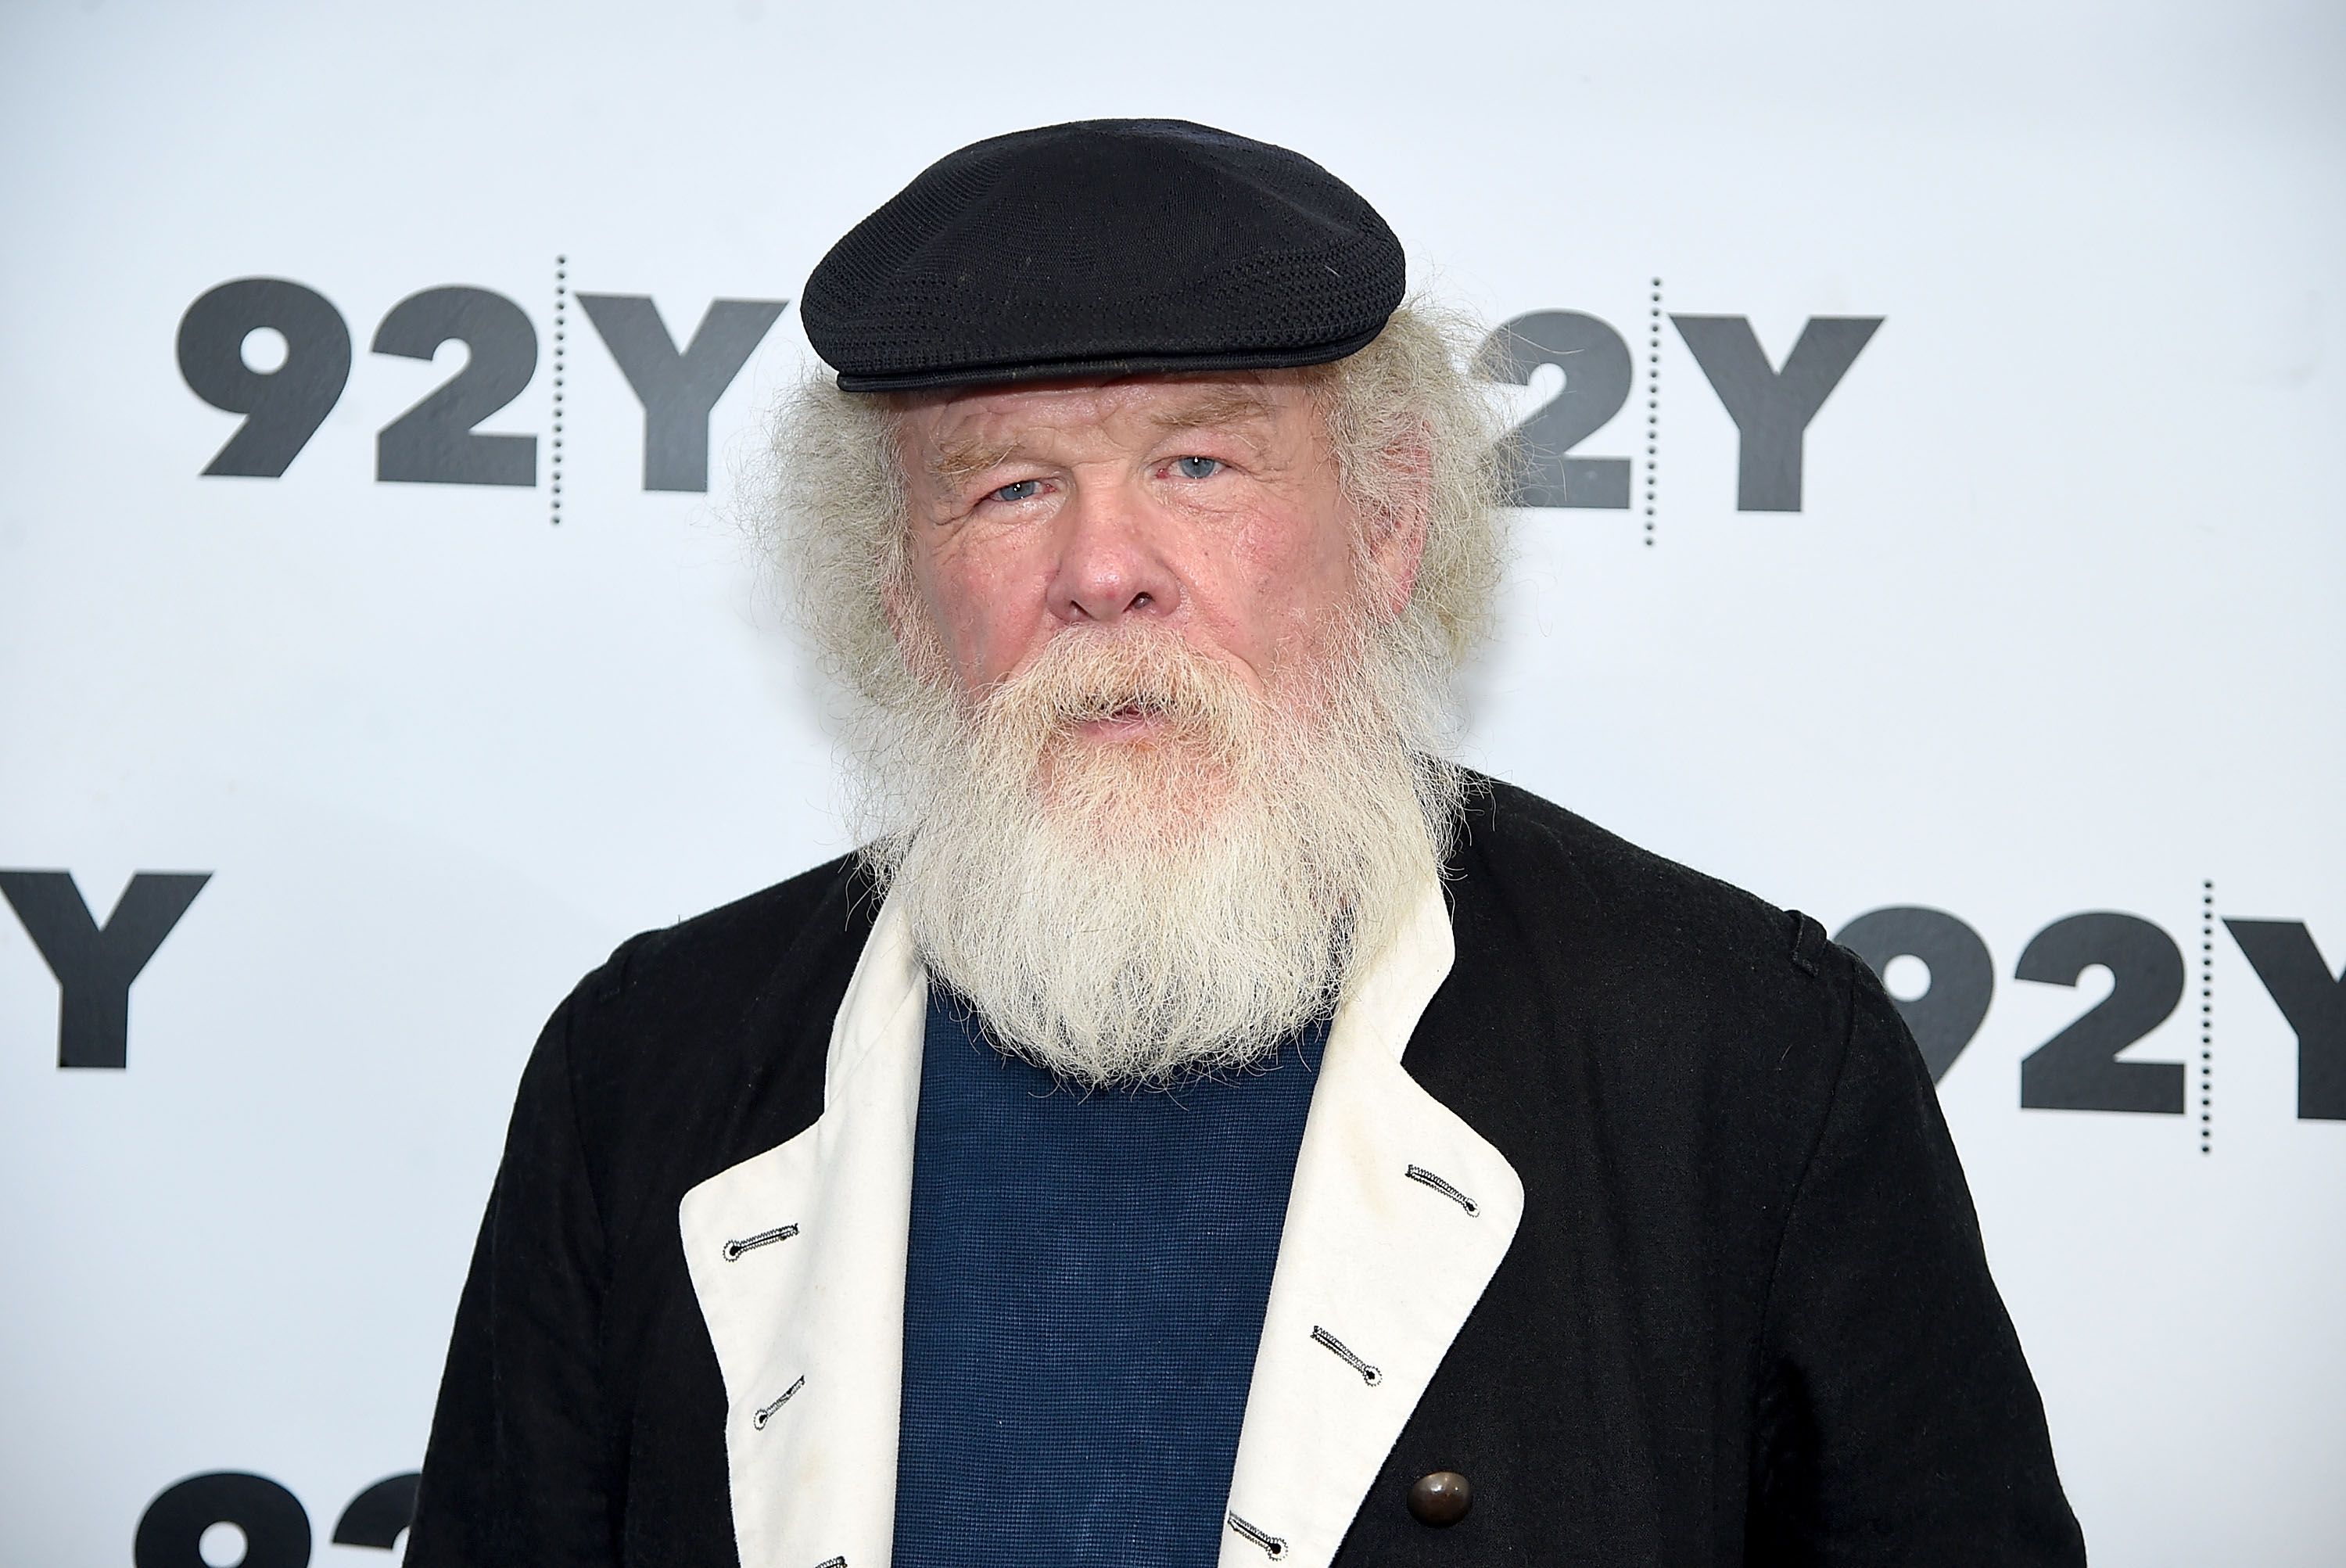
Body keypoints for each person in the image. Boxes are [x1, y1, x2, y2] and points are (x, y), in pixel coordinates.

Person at [404, 120, 2086, 1567]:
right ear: (901, 592)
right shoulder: (648, 1070)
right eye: (1006, 490)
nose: (1106, 568)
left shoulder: (1743, 1056)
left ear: (1386, 523)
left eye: (1199, 464)